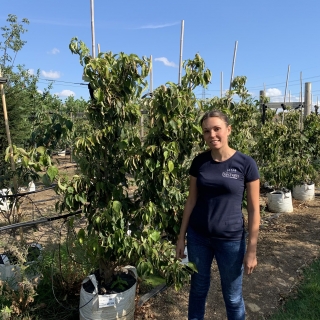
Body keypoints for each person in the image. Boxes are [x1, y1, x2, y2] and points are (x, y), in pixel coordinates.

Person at [176, 110, 260, 320]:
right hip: (198, 238)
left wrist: (251, 250)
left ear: (228, 130)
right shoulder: (200, 162)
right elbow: (191, 200)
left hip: (230, 240)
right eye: (206, 131)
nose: (211, 135)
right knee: (197, 291)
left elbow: (253, 209)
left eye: (216, 129)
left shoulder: (245, 164)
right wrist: (181, 237)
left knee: (232, 297)